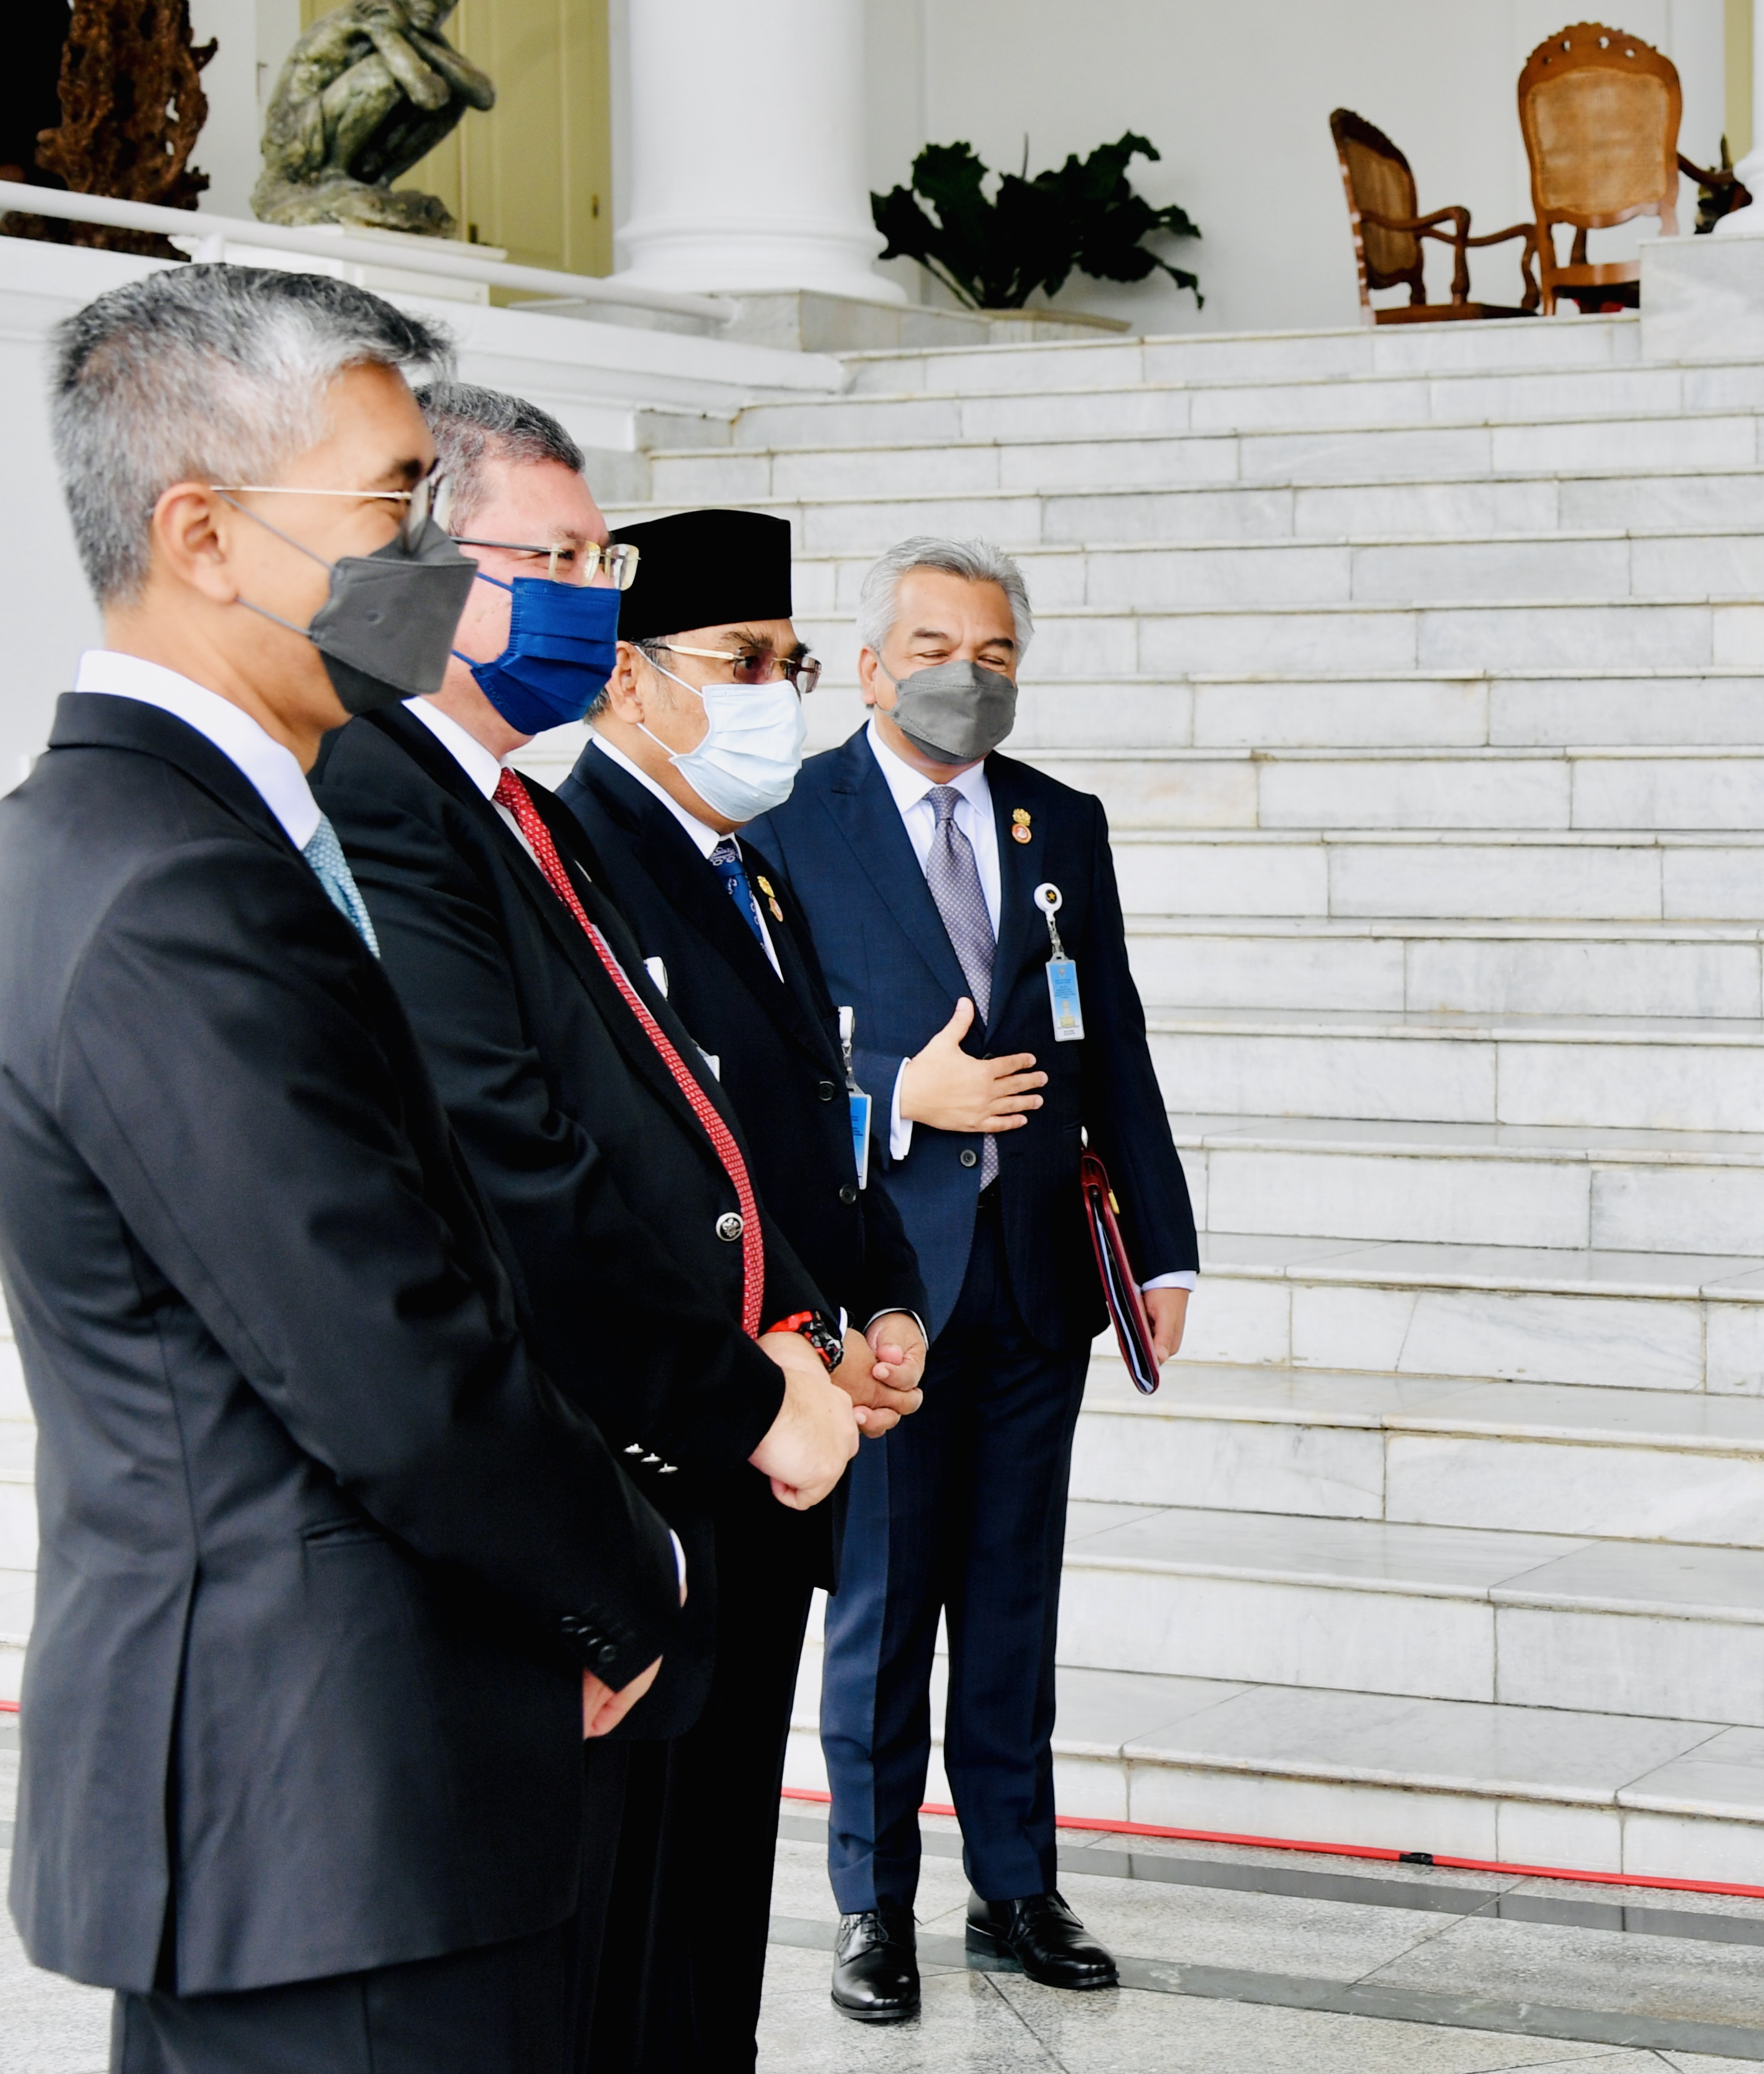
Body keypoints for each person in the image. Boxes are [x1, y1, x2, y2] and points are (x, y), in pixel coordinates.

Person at [4, 264, 680, 2072]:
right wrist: (627, 1574)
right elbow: (387, 1360)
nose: (433, 565)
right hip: (322, 1803)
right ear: (204, 532)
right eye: (392, 506)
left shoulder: (172, 832)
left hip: (341, 1799)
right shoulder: (170, 888)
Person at [310, 384, 887, 2072]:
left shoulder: (521, 809)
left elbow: (674, 1117)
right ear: (426, 568)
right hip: (572, 1483)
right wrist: (742, 1394)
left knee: (649, 1971)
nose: (589, 591)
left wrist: (804, 1332)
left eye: (596, 554)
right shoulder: (381, 800)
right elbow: (516, 1165)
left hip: (665, 1463)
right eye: (552, 557)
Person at [742, 533, 1199, 2020]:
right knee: (880, 1601)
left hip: (1035, 1281)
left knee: (1012, 1597)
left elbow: (1110, 1036)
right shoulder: (786, 822)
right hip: (884, 1292)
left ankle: (1015, 1882)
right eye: (936, 645)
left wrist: (1163, 1238)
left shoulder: (1058, 822)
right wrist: (894, 1093)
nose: (966, 674)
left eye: (995, 652)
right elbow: (758, 1062)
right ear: (870, 665)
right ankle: (871, 1900)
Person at [558, 505, 933, 2071]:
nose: (778, 692)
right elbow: (608, 1178)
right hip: (673, 1448)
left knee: (717, 1872)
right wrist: (773, 1360)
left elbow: (810, 1126)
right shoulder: (577, 859)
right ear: (631, 681)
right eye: (741, 662)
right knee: (631, 1895)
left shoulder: (745, 872)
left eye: (789, 662)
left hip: (784, 1444)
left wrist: (888, 1299)